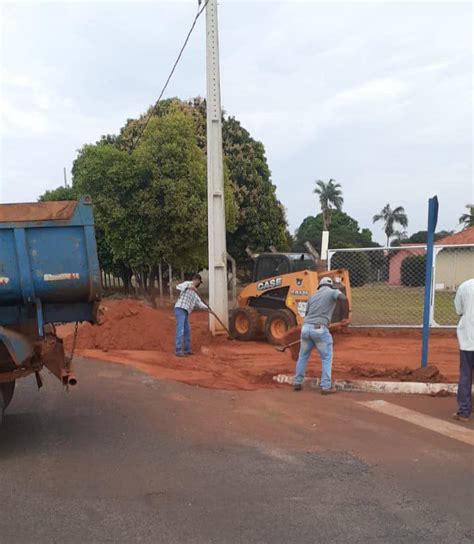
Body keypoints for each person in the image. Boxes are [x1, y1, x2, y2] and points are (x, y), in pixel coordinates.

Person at [294, 277, 349, 394]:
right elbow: (343, 298)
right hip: (319, 329)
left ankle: (297, 382)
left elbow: (307, 314)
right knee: (326, 357)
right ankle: (326, 386)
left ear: (319, 286)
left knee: (303, 356)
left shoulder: (312, 296)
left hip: (305, 328)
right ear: (330, 286)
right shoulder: (332, 291)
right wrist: (345, 317)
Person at [453, 278, 474, 422]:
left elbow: (459, 310)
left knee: (466, 375)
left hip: (468, 338)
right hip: (468, 338)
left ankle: (464, 411)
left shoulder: (465, 286)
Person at [174, 274, 209, 357]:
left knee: (187, 330)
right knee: (180, 329)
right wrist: (188, 287)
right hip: (180, 308)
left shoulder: (195, 294)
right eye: (198, 281)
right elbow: (178, 286)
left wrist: (207, 308)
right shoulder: (187, 283)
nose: (198, 283)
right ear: (196, 280)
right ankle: (178, 350)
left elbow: (199, 303)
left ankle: (187, 349)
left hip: (186, 311)